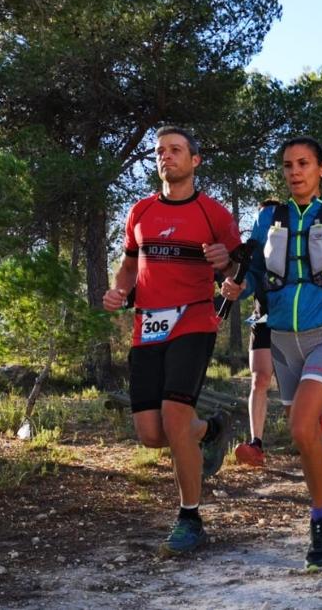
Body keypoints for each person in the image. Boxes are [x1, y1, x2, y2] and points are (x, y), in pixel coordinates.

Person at [221, 136, 322, 572]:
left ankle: (321, 523)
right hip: (281, 340)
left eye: (304, 163)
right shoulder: (266, 219)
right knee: (309, 435)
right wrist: (241, 287)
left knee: (299, 428)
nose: (295, 171)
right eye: (288, 165)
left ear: (321, 169)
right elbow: (256, 273)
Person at [102, 126, 241, 557]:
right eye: (160, 151)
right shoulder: (140, 212)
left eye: (176, 150)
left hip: (194, 322)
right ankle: (212, 429)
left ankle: (190, 518)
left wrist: (229, 270)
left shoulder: (213, 214)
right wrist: (119, 291)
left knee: (175, 418)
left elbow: (239, 271)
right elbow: (128, 267)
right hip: (147, 327)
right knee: (151, 434)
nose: (166, 157)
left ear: (195, 160)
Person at [234, 199, 282, 467]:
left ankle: (310, 423)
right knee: (259, 379)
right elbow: (246, 281)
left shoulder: (290, 246)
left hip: (293, 320)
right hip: (262, 317)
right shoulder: (253, 252)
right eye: (259, 218)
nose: (262, 224)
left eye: (268, 218)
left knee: (295, 384)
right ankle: (256, 444)